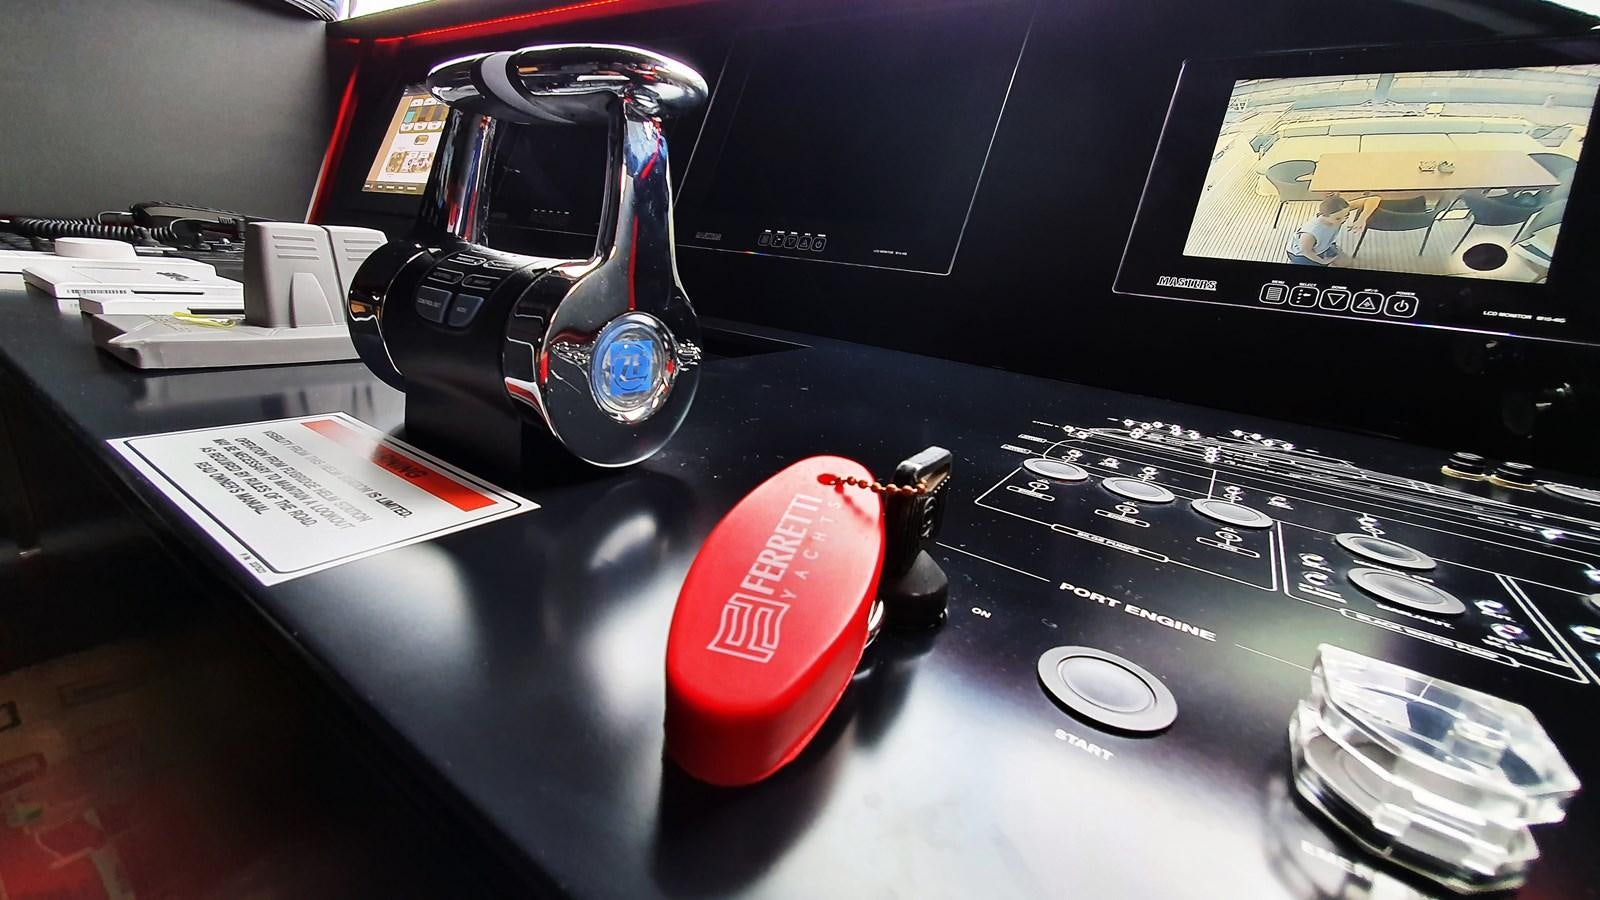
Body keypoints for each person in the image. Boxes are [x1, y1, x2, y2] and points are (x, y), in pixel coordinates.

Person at [1286, 195, 1380, 266]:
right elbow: (1305, 251)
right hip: (1302, 256)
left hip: (1324, 245)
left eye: (1347, 215)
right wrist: (1322, 261)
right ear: (1324, 215)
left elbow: (1374, 199)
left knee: (1347, 263)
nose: (1343, 220)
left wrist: (1362, 219)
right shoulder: (1311, 232)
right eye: (1338, 218)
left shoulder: (1339, 211)